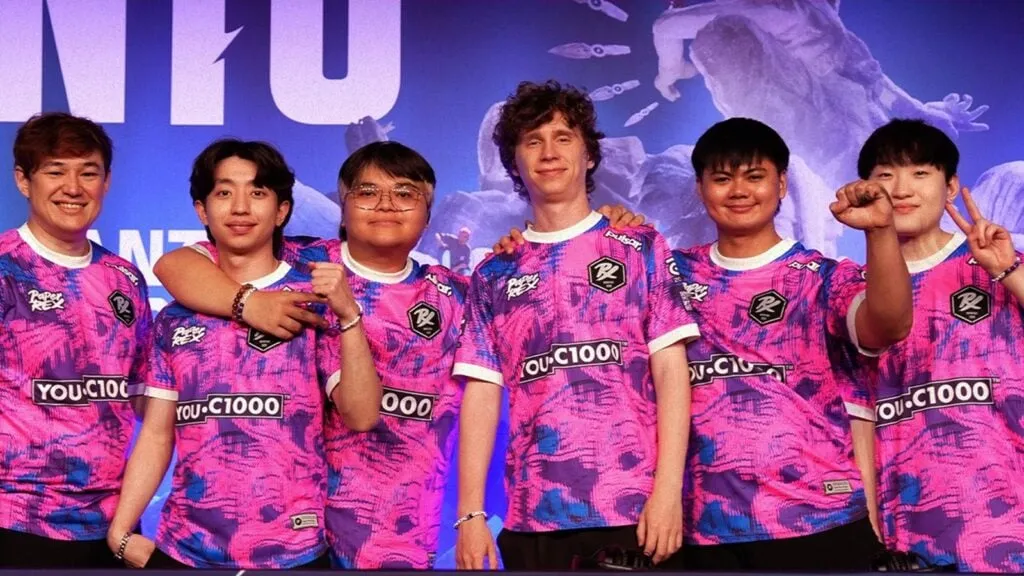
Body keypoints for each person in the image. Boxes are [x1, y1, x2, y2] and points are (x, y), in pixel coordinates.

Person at [453, 80, 698, 570]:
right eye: (533, 140)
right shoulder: (494, 272)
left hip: (635, 510)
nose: (549, 152)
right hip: (533, 515)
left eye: (563, 137)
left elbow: (672, 373)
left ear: (588, 155)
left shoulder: (641, 247)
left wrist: (669, 492)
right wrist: (470, 514)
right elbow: (481, 394)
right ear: (514, 162)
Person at [105, 139, 381, 569]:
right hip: (186, 552)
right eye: (224, 192)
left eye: (257, 192)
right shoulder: (175, 317)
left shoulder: (313, 301)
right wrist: (121, 532)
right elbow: (157, 433)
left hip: (294, 553)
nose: (240, 208)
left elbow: (361, 416)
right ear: (202, 210)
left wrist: (349, 316)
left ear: (282, 210)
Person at [668, 117, 911, 570]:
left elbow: (888, 325)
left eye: (754, 176)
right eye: (721, 179)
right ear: (700, 189)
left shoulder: (821, 277)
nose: (739, 191)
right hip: (703, 528)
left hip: (818, 519)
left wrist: (880, 232)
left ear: (781, 184)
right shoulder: (669, 274)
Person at [858, 119, 1024, 573]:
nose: (901, 189)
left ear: (950, 186)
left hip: (1005, 523)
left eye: (920, 173)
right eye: (885, 175)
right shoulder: (853, 290)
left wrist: (1008, 270)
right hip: (902, 535)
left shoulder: (998, 262)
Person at [0, 112, 151, 568]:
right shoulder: (5, 267)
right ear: (23, 180)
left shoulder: (124, 278)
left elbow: (144, 400)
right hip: (16, 520)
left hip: (111, 526)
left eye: (88, 172)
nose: (73, 187)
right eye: (55, 171)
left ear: (106, 182)